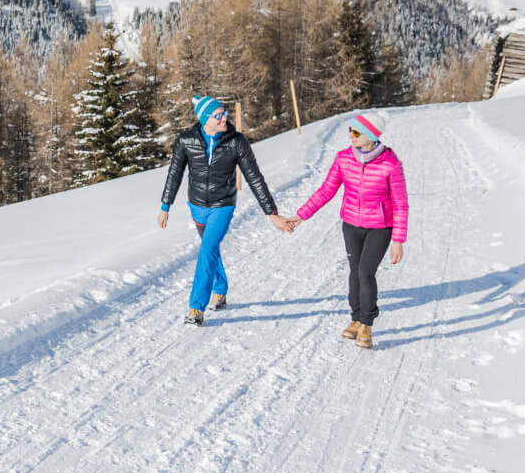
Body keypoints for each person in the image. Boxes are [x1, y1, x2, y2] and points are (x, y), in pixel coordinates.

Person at [272, 111, 408, 350]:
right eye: (350, 131)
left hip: (380, 226)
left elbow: (400, 203)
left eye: (357, 132)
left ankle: (366, 324)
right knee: (354, 271)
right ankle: (355, 318)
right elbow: (326, 191)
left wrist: (398, 240)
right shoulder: (343, 158)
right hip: (351, 225)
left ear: (371, 135)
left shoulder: (390, 163)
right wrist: (300, 216)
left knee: (366, 272)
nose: (351, 136)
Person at [158, 95, 280, 326]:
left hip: (223, 205)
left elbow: (254, 178)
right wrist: (165, 207)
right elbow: (174, 173)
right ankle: (220, 289)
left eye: (224, 113)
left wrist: (271, 212)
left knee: (207, 249)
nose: (225, 117)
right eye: (218, 115)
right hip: (196, 206)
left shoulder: (236, 141)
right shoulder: (185, 140)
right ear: (205, 119)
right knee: (210, 249)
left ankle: (196, 308)